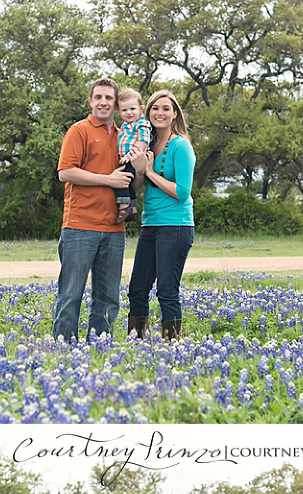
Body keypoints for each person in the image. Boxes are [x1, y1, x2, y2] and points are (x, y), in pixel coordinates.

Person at [51, 78, 134, 342]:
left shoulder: (124, 136)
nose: (103, 102)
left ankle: (99, 351)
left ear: (116, 104)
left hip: (114, 228)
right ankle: (63, 352)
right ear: (90, 101)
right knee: (70, 295)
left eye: (109, 98)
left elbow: (132, 180)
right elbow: (65, 172)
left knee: (109, 298)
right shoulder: (79, 130)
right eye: (98, 97)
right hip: (79, 225)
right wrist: (107, 179)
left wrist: (143, 165)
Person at [126, 90, 196, 341]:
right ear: (148, 113)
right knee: (137, 289)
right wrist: (139, 171)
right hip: (150, 224)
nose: (160, 113)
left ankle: (172, 345)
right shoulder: (145, 145)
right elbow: (136, 187)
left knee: (167, 290)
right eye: (155, 108)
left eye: (166, 108)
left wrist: (150, 172)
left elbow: (182, 192)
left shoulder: (181, 146)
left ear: (174, 113)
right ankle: (137, 344)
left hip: (175, 226)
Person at [113, 89, 152, 223]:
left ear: (140, 109)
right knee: (129, 184)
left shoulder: (142, 123)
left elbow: (142, 142)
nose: (128, 113)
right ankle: (133, 209)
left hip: (135, 158)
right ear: (119, 112)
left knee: (121, 180)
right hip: (126, 158)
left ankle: (124, 207)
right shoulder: (124, 126)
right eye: (124, 110)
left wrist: (129, 156)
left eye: (132, 109)